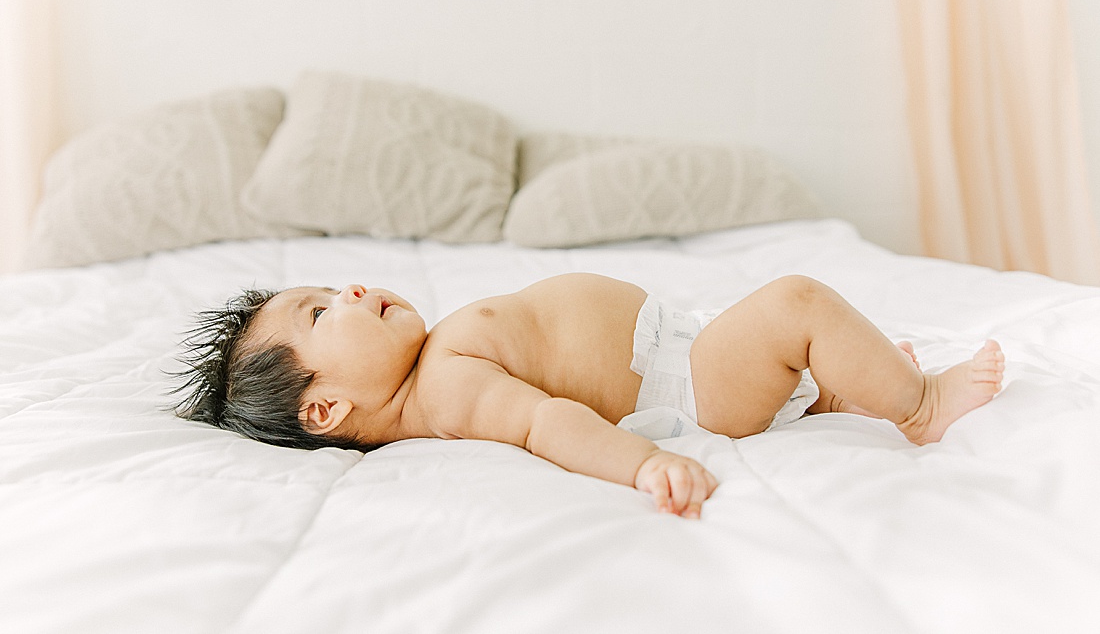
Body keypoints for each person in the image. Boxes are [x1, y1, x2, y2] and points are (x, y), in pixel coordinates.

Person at [174, 274, 1005, 519]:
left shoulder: (434, 363)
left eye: (331, 286)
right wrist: (643, 464)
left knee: (792, 342)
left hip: (689, 353)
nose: (351, 289)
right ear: (324, 410)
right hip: (693, 383)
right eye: (321, 312)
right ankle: (920, 405)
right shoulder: (449, 386)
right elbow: (547, 423)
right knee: (795, 304)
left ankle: (831, 395)